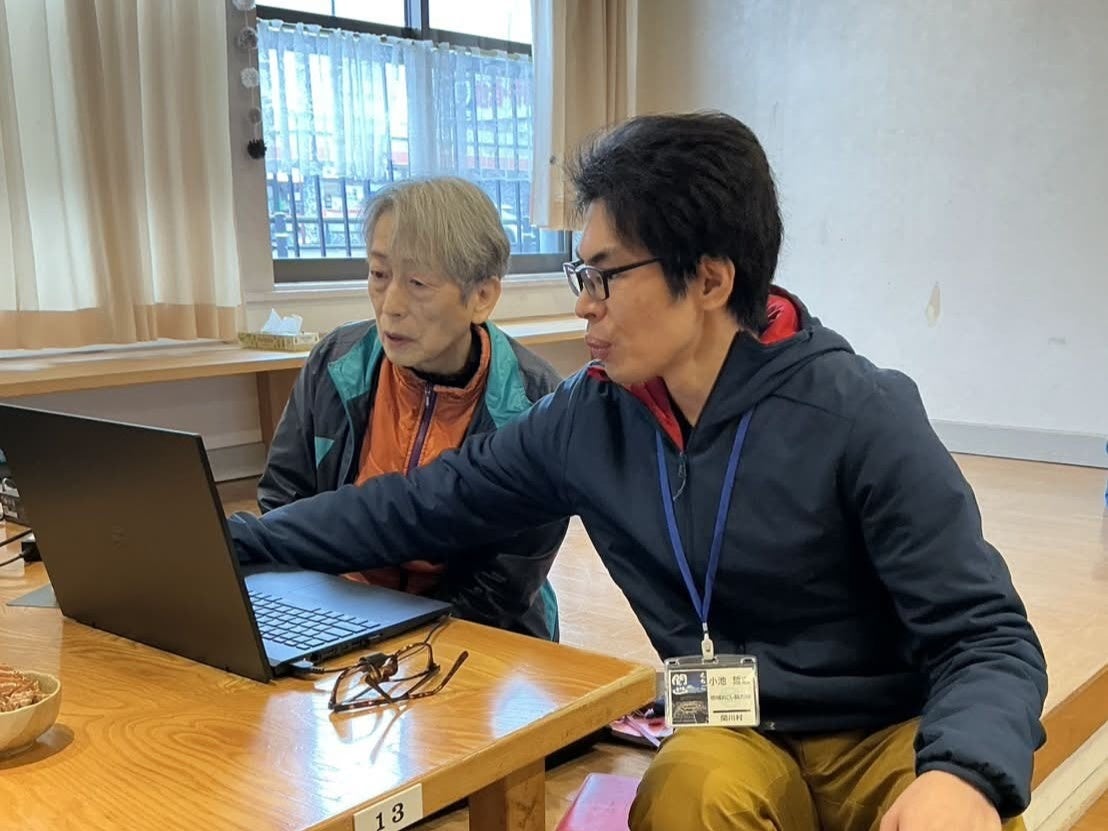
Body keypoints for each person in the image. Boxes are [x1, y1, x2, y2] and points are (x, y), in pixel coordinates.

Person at [230, 113, 1046, 831]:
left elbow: (987, 635)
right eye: (580, 274)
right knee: (687, 789)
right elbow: (416, 506)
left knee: (971, 810)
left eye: (606, 275)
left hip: (886, 727)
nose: (584, 302)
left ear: (711, 279)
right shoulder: (589, 417)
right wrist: (240, 542)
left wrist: (964, 773)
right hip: (740, 729)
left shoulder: (860, 412)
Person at [255, 176, 567, 640]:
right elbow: (283, 499)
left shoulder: (535, 402)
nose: (391, 306)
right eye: (379, 275)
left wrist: (393, 641)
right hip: (337, 610)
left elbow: (502, 584)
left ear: (482, 296)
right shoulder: (336, 362)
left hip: (472, 628)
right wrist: (322, 615)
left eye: (418, 282)